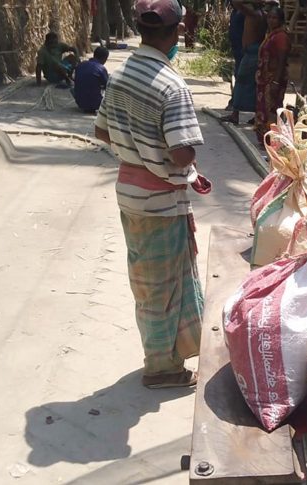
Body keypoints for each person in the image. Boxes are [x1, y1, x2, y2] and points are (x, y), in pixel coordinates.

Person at [94, 0, 205, 389]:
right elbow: (181, 153)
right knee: (163, 287)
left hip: (130, 193)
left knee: (148, 280)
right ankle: (161, 368)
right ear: (176, 32)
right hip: (160, 202)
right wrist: (164, 156)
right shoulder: (171, 85)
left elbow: (102, 131)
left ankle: (170, 353)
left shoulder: (123, 74)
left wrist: (136, 149)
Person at [220, 0, 267, 124]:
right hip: (252, 50)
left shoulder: (254, 14)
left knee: (241, 81)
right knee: (253, 83)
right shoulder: (260, 14)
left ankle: (235, 114)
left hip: (251, 52)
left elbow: (237, 3)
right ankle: (255, 115)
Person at [254, 5, 290, 142]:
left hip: (273, 79)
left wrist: (275, 81)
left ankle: (272, 139)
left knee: (272, 109)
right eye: (269, 17)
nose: (271, 20)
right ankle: (264, 138)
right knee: (264, 108)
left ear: (280, 20)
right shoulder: (271, 34)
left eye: (274, 18)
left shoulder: (281, 37)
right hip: (264, 79)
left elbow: (282, 60)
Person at [73, 46, 110, 113]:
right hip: (95, 103)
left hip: (80, 102)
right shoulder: (101, 68)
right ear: (104, 58)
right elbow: (107, 86)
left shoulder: (81, 65)